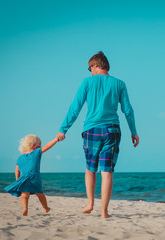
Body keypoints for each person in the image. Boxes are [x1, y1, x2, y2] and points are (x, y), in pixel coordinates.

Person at [57, 51, 139, 218]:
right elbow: (127, 110)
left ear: (95, 65)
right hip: (112, 129)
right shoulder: (119, 84)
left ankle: (90, 203)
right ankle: (104, 211)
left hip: (92, 130)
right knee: (107, 171)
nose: (90, 71)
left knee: (90, 169)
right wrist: (134, 131)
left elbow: (75, 107)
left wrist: (63, 129)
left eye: (90, 68)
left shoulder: (87, 82)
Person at [5, 134, 58, 216]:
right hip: (35, 178)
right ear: (34, 145)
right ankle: (46, 208)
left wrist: (17, 180)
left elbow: (17, 170)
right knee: (40, 194)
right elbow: (48, 146)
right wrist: (56, 139)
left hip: (23, 179)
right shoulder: (36, 153)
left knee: (24, 195)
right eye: (39, 146)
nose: (40, 147)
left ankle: (25, 209)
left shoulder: (20, 157)